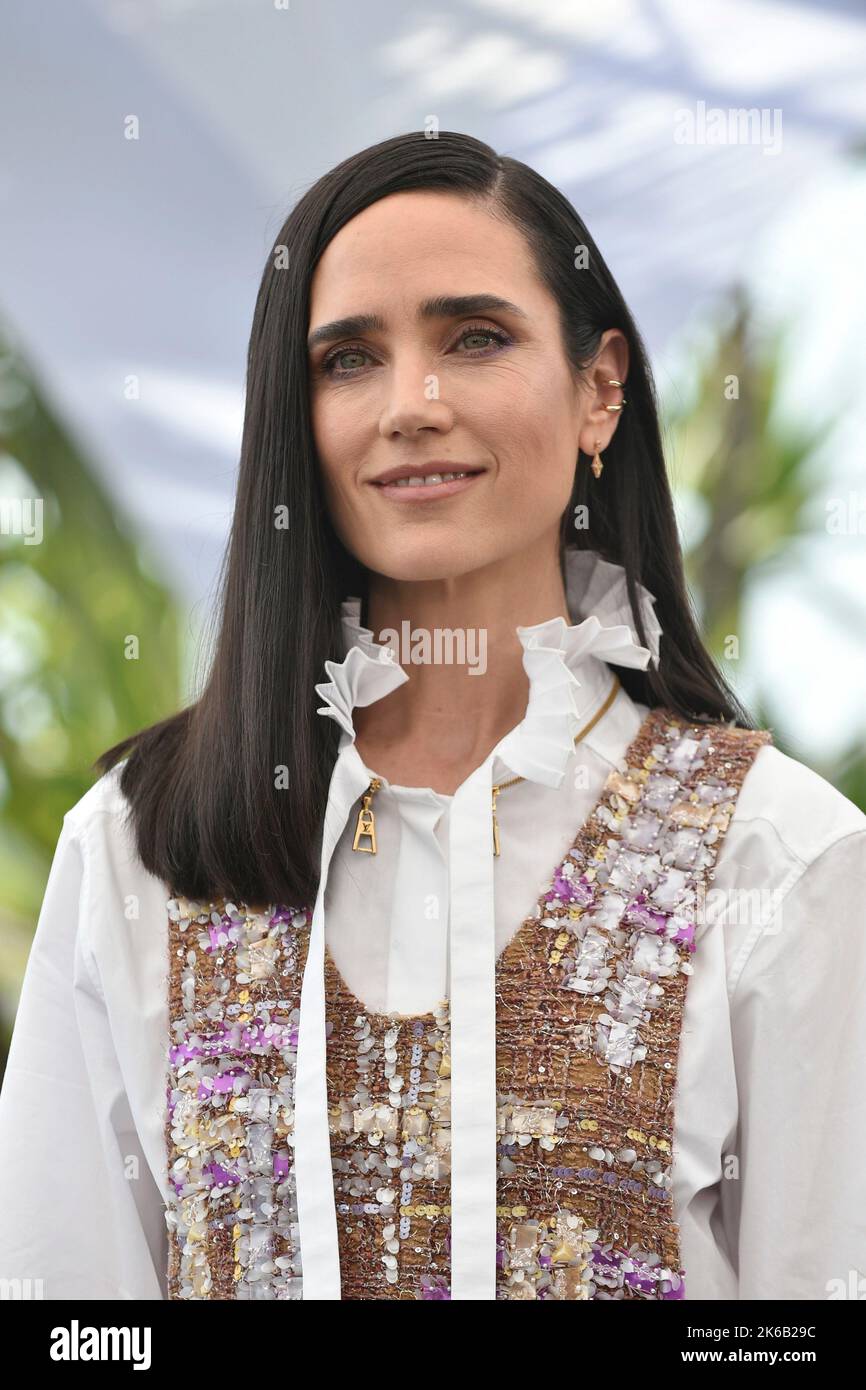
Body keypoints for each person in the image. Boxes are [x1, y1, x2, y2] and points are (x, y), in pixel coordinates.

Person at [1, 131, 864, 1302]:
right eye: (349, 359)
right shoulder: (146, 844)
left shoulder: (778, 855)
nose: (411, 405)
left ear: (599, 388)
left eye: (474, 338)